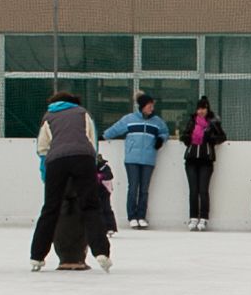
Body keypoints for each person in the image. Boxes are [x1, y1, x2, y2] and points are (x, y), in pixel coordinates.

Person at [32, 93, 110, 271]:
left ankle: (37, 256)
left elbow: (42, 148)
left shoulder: (49, 116)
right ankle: (101, 252)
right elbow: (92, 141)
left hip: (56, 162)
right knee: (90, 206)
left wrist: (45, 174)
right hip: (83, 158)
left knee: (50, 208)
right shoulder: (83, 113)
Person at [104, 92, 172, 228]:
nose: (151, 108)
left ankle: (141, 216)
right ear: (142, 106)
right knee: (133, 187)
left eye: (152, 106)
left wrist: (160, 139)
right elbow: (116, 129)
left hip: (148, 159)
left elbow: (165, 132)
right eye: (149, 106)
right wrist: (104, 136)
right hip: (132, 159)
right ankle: (132, 216)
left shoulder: (157, 121)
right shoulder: (130, 119)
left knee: (144, 189)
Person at [178, 96, 227, 230]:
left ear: (207, 109)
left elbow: (222, 136)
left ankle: (204, 218)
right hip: (191, 159)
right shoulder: (192, 121)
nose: (201, 111)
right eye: (199, 108)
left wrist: (210, 138)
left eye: (203, 108)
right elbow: (184, 135)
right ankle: (193, 217)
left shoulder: (213, 122)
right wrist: (187, 138)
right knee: (193, 190)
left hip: (206, 159)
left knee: (203, 190)